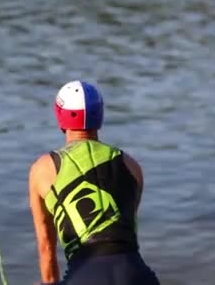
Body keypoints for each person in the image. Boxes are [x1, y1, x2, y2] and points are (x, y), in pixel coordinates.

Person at [28, 80, 160, 285]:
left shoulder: (42, 169)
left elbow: (46, 248)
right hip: (139, 276)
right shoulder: (132, 166)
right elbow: (124, 230)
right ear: (99, 115)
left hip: (84, 276)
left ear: (60, 117)